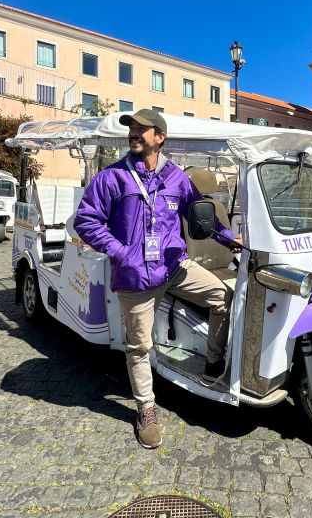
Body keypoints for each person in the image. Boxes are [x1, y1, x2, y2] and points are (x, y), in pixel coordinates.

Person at [74, 109, 241, 449]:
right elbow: (86, 221)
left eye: (141, 129)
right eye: (131, 129)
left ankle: (212, 359)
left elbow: (200, 215)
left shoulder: (177, 178)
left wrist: (232, 241)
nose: (134, 134)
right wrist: (121, 253)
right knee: (138, 347)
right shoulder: (112, 177)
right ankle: (146, 409)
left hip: (174, 266)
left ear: (159, 137)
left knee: (222, 297)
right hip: (134, 276)